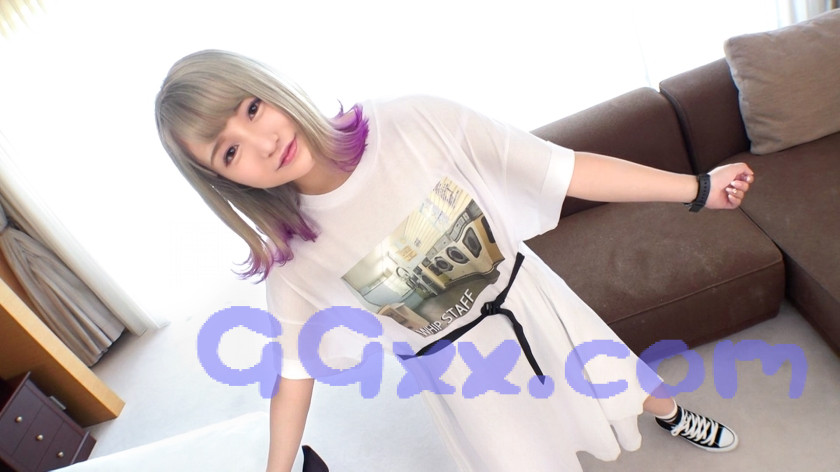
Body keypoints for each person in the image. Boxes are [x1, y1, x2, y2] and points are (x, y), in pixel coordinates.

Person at [155, 49, 753, 472]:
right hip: (464, 382)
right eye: (229, 151)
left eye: (252, 109)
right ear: (223, 181)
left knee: (621, 381)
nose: (263, 143)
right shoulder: (294, 259)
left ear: (271, 88)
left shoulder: (412, 123)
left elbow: (563, 170)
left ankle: (672, 414)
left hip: (529, 305)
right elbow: (293, 373)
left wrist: (696, 188)